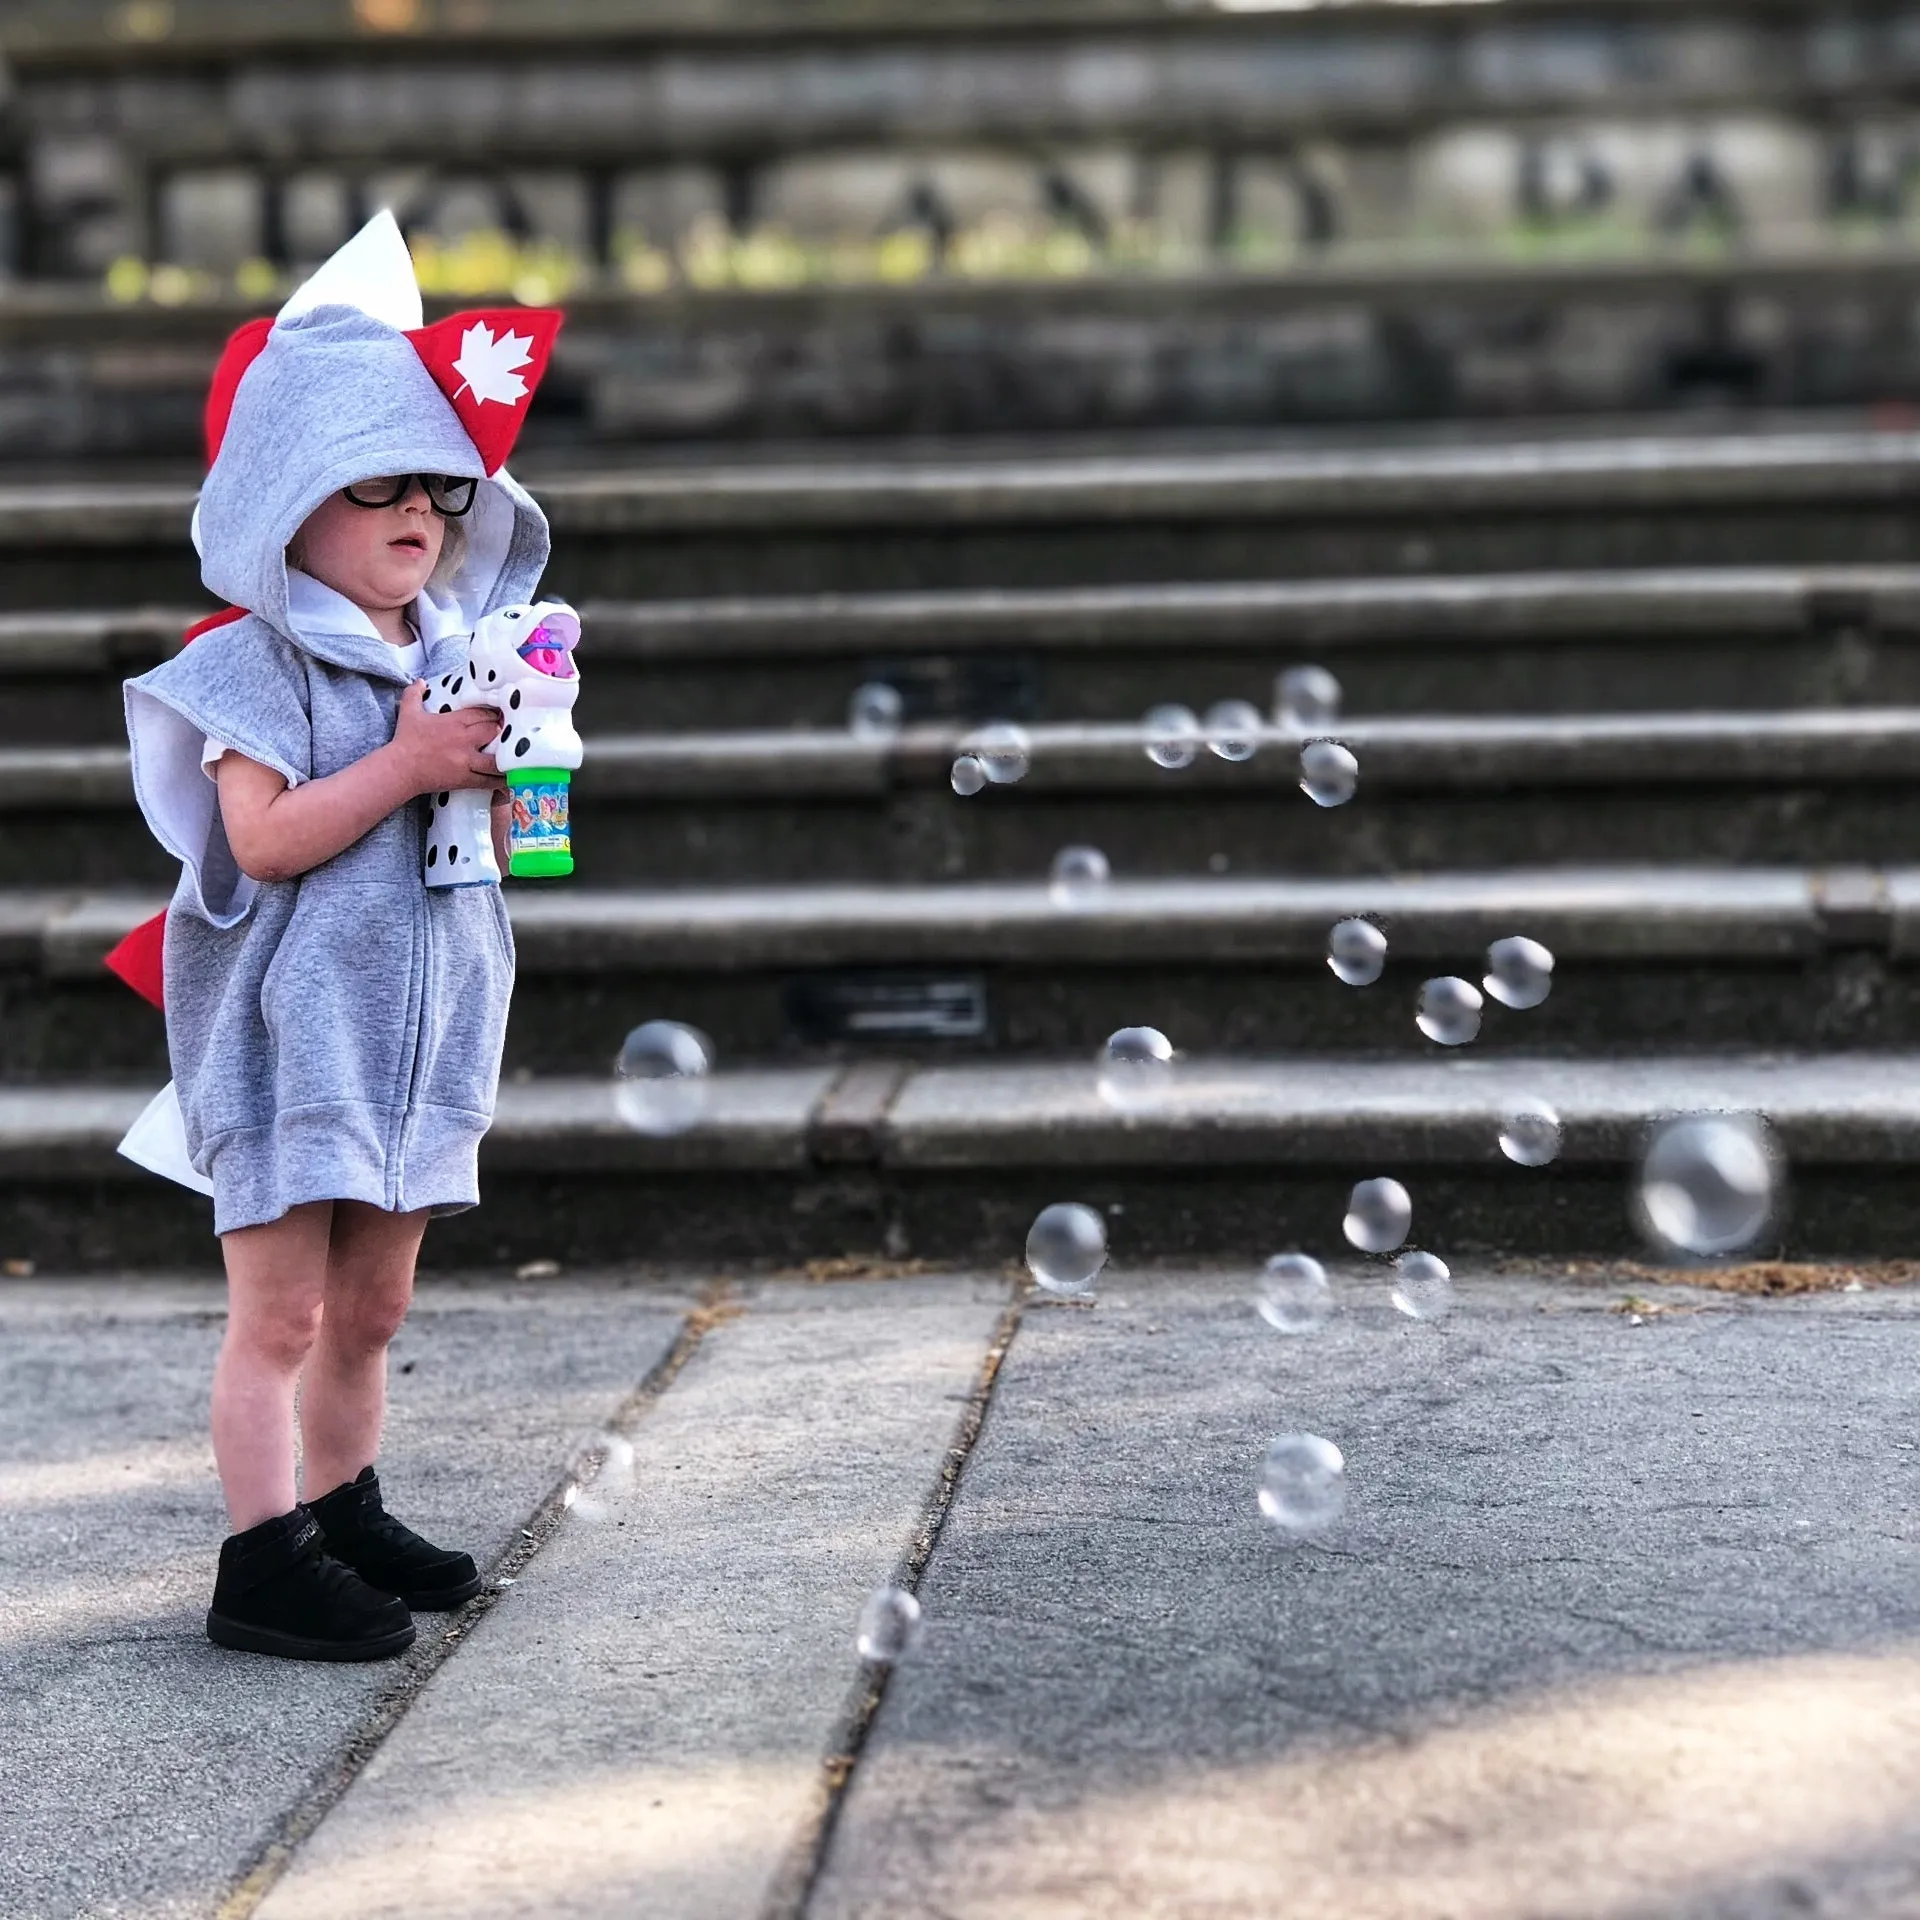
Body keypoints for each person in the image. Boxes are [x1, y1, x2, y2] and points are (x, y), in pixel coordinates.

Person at [120, 217, 562, 1660]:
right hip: (291, 1040)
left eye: (442, 487)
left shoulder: (455, 656)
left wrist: (511, 781)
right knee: (285, 1316)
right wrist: (408, 765)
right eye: (378, 482)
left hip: (420, 1037)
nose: (418, 515)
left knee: (374, 1309)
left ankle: (344, 1504)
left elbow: (491, 851)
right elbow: (261, 840)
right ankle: (262, 1561)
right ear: (285, 493)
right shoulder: (244, 665)